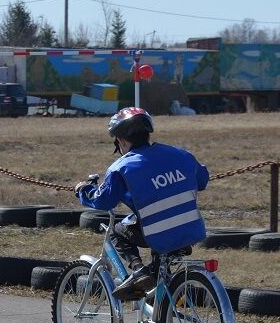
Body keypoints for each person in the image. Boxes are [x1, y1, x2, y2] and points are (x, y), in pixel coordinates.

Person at [75, 107, 210, 299]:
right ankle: (162, 302)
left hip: (156, 233)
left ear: (120, 140)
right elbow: (202, 180)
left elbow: (104, 200)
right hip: (190, 229)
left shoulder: (122, 167)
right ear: (148, 134)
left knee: (116, 231)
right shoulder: (181, 154)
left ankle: (139, 271)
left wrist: (83, 190)